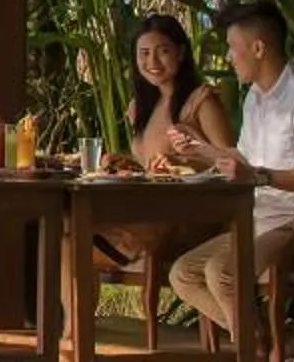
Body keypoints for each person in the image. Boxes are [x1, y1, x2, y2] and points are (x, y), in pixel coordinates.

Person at [165, 0, 294, 362]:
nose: (230, 58)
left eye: (233, 48)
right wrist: (200, 149)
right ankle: (266, 341)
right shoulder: (255, 100)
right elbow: (245, 160)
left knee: (222, 271)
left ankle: (255, 358)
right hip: (261, 216)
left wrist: (262, 177)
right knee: (183, 273)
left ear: (259, 48)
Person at [95, 15, 236, 270]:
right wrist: (126, 163)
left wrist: (187, 160)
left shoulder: (201, 101)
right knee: (65, 242)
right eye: (144, 53)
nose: (152, 62)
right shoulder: (140, 107)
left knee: (74, 250)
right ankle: (74, 313)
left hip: (188, 217)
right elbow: (150, 165)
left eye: (162, 52)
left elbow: (232, 163)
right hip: (148, 209)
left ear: (181, 53)